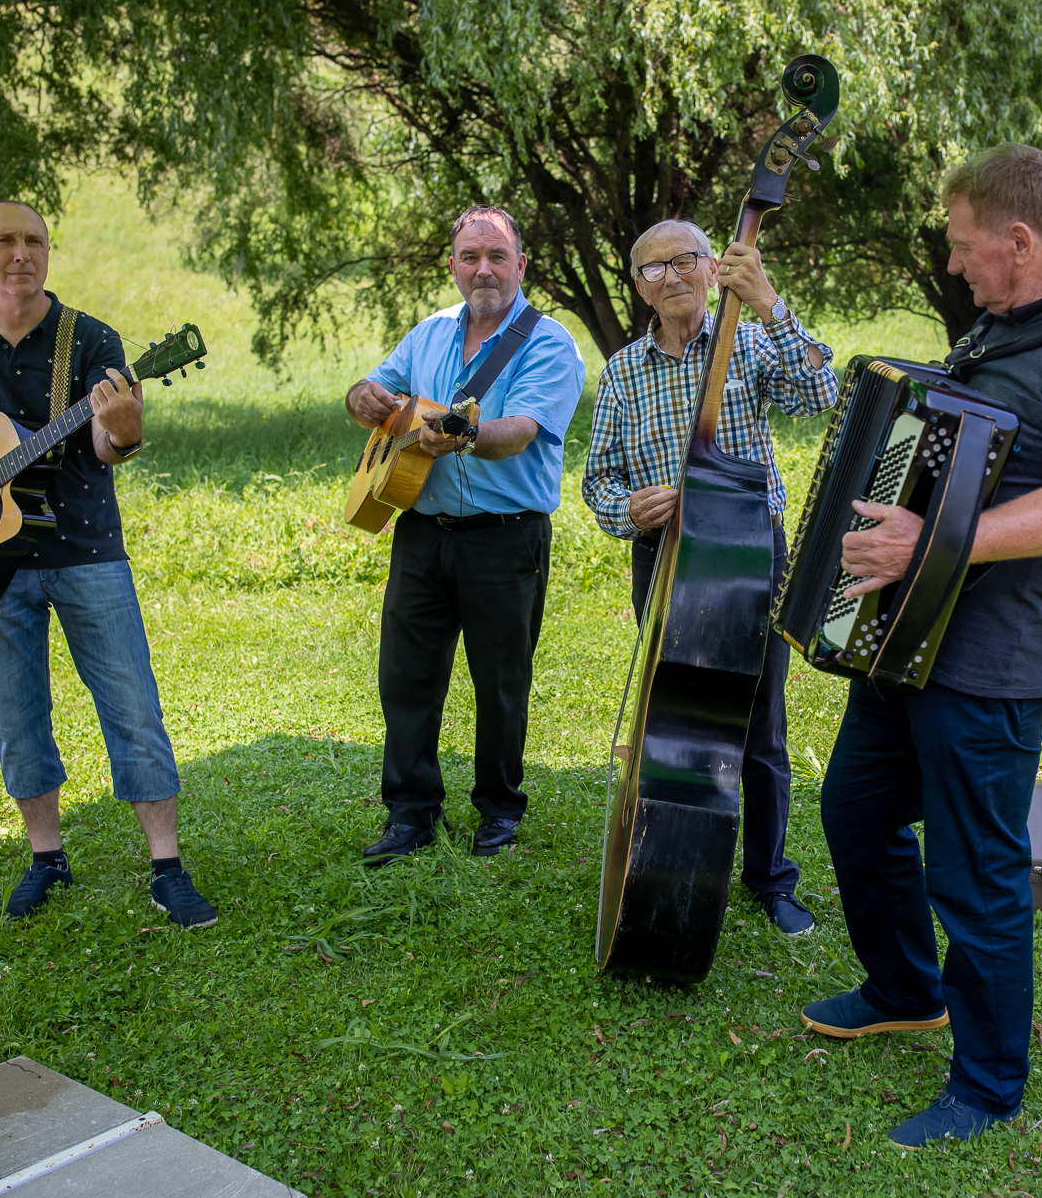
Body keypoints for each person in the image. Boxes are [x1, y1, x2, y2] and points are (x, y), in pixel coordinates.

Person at [798, 144, 1042, 1145]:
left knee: (976, 870)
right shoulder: (992, 336)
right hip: (904, 645)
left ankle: (988, 1083)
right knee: (855, 814)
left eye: (964, 248)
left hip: (994, 664)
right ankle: (906, 986)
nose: (954, 268)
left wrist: (933, 546)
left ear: (1020, 238)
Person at [0, 200, 217, 928]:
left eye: (34, 240)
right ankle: (46, 856)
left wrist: (121, 431)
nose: (20, 253)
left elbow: (105, 448)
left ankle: (166, 866)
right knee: (17, 717)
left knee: (132, 704)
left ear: (49, 253)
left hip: (86, 549)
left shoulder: (90, 340)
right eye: (4, 241)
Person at [581, 220, 837, 935]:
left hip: (751, 551)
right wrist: (626, 507)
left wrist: (769, 304)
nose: (673, 277)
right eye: (654, 268)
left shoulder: (748, 341)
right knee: (675, 715)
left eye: (686, 260)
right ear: (638, 287)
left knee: (760, 720)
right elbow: (598, 478)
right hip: (662, 555)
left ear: (711, 266)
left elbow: (820, 392)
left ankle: (770, 877)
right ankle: (678, 855)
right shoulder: (623, 371)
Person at [345, 205, 587, 866]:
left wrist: (470, 434)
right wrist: (361, 397)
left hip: (505, 539)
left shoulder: (548, 343)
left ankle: (499, 812)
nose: (483, 268)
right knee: (407, 676)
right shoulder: (428, 333)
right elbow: (376, 391)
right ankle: (410, 814)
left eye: (497, 256)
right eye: (470, 256)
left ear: (521, 265)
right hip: (422, 532)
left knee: (501, 681)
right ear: (451, 264)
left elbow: (522, 432)